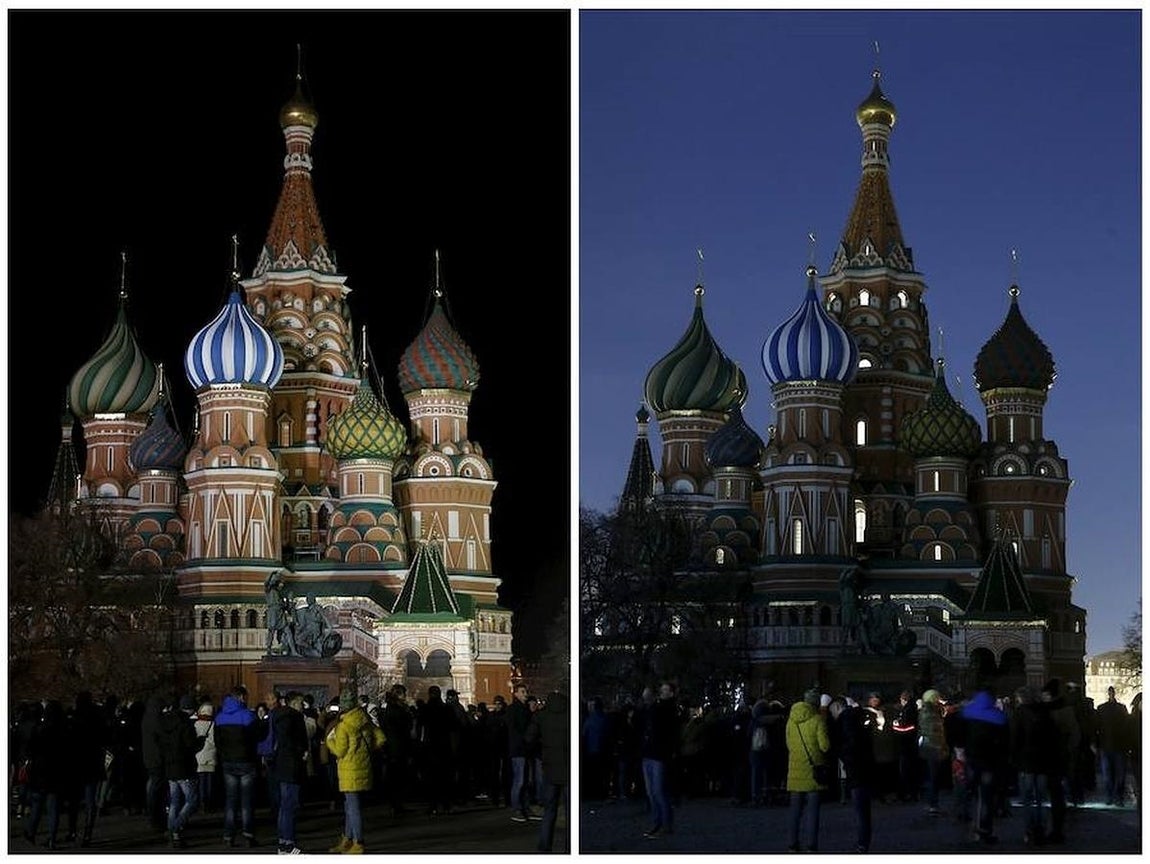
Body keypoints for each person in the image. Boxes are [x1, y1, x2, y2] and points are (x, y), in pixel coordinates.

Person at [326, 690, 386, 854]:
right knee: (350, 805)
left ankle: (358, 841)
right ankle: (347, 839)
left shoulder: (344, 726)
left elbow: (339, 751)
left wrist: (329, 742)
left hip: (348, 769)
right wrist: (366, 752)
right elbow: (381, 738)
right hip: (363, 766)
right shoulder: (364, 719)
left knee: (352, 807)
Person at [214, 685, 261, 847]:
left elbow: (217, 742)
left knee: (231, 800)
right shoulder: (248, 716)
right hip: (247, 761)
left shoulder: (219, 717)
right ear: (241, 697)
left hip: (228, 763)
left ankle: (228, 835)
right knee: (246, 802)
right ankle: (248, 834)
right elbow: (258, 737)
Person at [961, 687, 1008, 844]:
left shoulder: (967, 713)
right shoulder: (998, 716)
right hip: (990, 761)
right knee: (986, 795)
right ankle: (984, 828)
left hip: (971, 759)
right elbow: (1004, 741)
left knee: (972, 791)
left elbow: (958, 735)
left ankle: (969, 818)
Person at [1011, 685, 1057, 846]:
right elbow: (1053, 738)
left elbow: (1015, 739)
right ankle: (1041, 831)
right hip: (1044, 762)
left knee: (1028, 799)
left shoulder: (1019, 713)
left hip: (1026, 763)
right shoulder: (1045, 713)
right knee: (1041, 799)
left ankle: (1030, 831)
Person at [785, 687, 830, 853]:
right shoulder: (818, 720)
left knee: (795, 812)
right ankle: (811, 845)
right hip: (814, 772)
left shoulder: (791, 720)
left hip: (795, 771)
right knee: (813, 813)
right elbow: (824, 746)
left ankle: (792, 844)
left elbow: (789, 745)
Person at [158, 694, 203, 848]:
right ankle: (174, 828)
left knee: (174, 802)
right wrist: (200, 741)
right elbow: (191, 746)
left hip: (170, 766)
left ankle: (174, 834)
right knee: (192, 801)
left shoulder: (165, 722)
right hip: (184, 766)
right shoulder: (186, 724)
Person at [529, 688, 570, 852]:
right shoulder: (570, 716)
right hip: (568, 767)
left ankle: (545, 845)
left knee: (550, 810)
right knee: (570, 812)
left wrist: (540, 752)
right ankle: (569, 847)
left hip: (550, 767)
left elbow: (529, 738)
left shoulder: (541, 716)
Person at [272, 692, 310, 854]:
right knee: (290, 805)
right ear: (294, 703)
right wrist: (301, 750)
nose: (303, 706)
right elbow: (293, 739)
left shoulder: (277, 715)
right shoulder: (295, 717)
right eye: (301, 703)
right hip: (293, 764)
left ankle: (283, 842)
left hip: (281, 764)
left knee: (284, 806)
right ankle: (288, 843)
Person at [639, 682, 678, 839]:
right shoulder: (656, 708)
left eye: (665, 690)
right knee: (652, 792)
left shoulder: (668, 709)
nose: (662, 692)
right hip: (650, 753)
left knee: (658, 791)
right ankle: (658, 822)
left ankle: (664, 824)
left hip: (658, 755)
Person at [838, 695, 875, 852]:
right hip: (865, 772)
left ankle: (862, 843)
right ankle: (863, 843)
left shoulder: (847, 735)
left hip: (855, 774)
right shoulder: (865, 730)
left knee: (861, 811)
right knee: (864, 812)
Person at [382, 685, 414, 815]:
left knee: (396, 777)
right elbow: (404, 727)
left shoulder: (391, 708)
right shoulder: (396, 710)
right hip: (397, 747)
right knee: (397, 777)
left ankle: (396, 804)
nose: (405, 697)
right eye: (403, 694)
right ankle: (396, 804)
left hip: (394, 747)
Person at [1095, 686, 1130, 806]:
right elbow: (1127, 728)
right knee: (1118, 774)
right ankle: (1117, 797)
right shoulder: (1121, 709)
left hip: (1107, 745)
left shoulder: (1101, 709)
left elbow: (1097, 728)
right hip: (1118, 746)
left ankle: (1110, 796)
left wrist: (1095, 744)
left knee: (1108, 775)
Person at [507, 683, 535, 823]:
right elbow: (518, 729)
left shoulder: (522, 709)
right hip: (519, 749)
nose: (526, 694)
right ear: (516, 693)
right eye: (523, 691)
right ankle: (517, 808)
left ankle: (524, 807)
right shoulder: (515, 710)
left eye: (526, 691)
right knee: (520, 780)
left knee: (525, 780)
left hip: (523, 749)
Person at [918, 689, 947, 815]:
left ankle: (931, 803)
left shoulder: (927, 711)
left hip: (928, 747)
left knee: (931, 776)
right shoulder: (931, 713)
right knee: (933, 777)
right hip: (933, 748)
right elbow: (935, 732)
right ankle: (932, 805)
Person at [891, 690, 919, 801]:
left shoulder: (908, 710)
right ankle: (911, 793)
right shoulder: (912, 709)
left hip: (906, 744)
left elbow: (907, 728)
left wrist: (895, 727)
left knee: (905, 770)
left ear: (903, 699)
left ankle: (905, 793)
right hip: (910, 744)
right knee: (910, 769)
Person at [193, 701, 217, 814]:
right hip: (211, 755)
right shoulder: (213, 724)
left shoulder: (196, 724)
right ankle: (209, 804)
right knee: (210, 782)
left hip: (199, 756)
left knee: (201, 781)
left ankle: (202, 804)